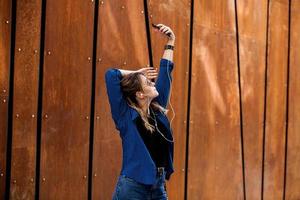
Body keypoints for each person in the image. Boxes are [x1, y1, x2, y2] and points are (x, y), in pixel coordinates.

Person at [105, 23, 175, 200]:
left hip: (158, 187)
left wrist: (171, 41)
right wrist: (136, 72)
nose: (153, 83)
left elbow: (166, 73)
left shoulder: (157, 110)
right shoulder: (126, 117)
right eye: (148, 83)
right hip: (133, 188)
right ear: (140, 94)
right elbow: (111, 75)